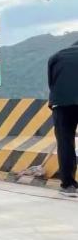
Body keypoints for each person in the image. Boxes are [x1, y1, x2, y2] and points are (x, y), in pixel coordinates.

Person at [47, 40, 78, 196]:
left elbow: (51, 83)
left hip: (61, 104)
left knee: (65, 143)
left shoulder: (56, 56)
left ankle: (68, 186)